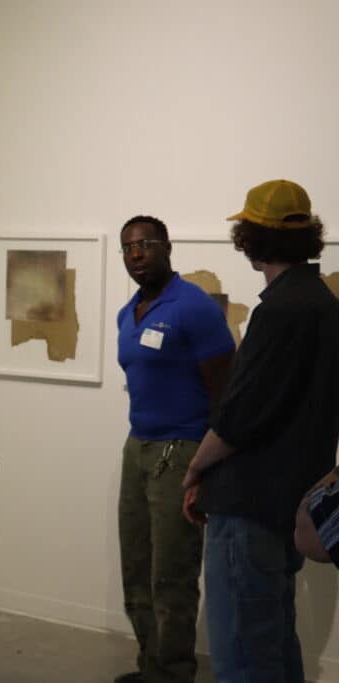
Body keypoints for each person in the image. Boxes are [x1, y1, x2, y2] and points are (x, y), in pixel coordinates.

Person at [182, 179, 339, 682]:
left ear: (250, 238)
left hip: (247, 503)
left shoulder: (279, 312)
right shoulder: (323, 303)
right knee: (273, 639)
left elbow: (240, 417)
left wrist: (194, 467)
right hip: (293, 500)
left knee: (244, 654)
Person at [114, 216, 235, 683]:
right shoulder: (129, 313)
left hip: (182, 449)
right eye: (127, 247)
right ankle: (151, 665)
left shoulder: (194, 307)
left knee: (172, 573)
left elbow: (224, 395)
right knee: (137, 568)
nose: (136, 254)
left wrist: (205, 468)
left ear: (167, 247)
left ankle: (174, 671)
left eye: (145, 244)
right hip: (137, 446)